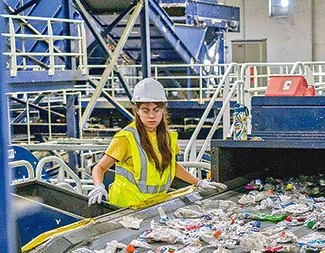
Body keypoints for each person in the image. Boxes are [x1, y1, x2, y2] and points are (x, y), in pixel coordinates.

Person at [88, 78, 226, 208]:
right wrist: (99, 186)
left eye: (156, 110)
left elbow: (172, 166)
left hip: (154, 205)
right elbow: (99, 167)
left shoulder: (167, 136)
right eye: (145, 111)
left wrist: (199, 182)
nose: (152, 116)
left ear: (163, 110)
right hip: (125, 207)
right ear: (137, 110)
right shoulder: (125, 138)